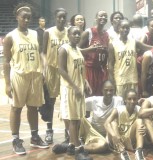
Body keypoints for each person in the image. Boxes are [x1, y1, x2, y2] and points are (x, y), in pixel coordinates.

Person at [3, 3, 48, 155]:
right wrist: (7, 84)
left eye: (29, 17)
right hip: (19, 75)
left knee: (33, 107)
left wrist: (43, 69)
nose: (27, 20)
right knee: (16, 108)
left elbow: (40, 53)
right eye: (24, 17)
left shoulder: (36, 34)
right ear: (17, 17)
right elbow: (6, 61)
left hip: (35, 75)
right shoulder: (10, 36)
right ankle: (16, 139)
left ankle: (34, 137)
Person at [55, 26, 92, 159]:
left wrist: (86, 83)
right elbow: (62, 70)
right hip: (69, 89)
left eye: (79, 34)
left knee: (77, 119)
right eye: (74, 33)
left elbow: (80, 70)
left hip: (78, 88)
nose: (77, 36)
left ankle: (71, 144)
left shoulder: (77, 50)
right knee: (73, 119)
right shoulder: (64, 49)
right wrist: (75, 86)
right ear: (68, 35)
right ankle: (78, 148)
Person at [40, 8, 69, 144]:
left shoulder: (69, 32)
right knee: (50, 102)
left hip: (65, 70)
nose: (62, 19)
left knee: (66, 101)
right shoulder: (48, 32)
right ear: (55, 17)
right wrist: (44, 68)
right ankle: (49, 130)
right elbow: (43, 52)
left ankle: (67, 131)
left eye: (64, 17)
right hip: (51, 70)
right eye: (59, 17)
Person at [108, 19, 152, 97]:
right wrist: (112, 81)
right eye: (123, 27)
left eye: (127, 28)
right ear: (119, 28)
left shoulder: (134, 42)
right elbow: (110, 64)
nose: (125, 30)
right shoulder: (113, 44)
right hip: (120, 79)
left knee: (133, 102)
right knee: (120, 103)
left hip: (132, 78)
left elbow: (148, 47)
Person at [76, 80, 123, 153]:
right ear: (102, 90)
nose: (109, 93)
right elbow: (78, 103)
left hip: (108, 133)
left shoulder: (119, 101)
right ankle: (76, 141)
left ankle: (79, 148)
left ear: (114, 91)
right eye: (106, 90)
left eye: (111, 90)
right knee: (79, 118)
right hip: (93, 131)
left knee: (103, 146)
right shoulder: (94, 100)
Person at [105, 89, 146, 160]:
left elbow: (147, 123)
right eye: (129, 99)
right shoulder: (118, 109)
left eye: (134, 99)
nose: (132, 101)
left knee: (139, 121)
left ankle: (139, 151)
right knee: (113, 123)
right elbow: (106, 123)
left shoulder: (139, 110)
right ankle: (122, 152)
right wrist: (114, 136)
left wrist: (145, 129)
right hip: (116, 140)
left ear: (137, 100)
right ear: (125, 100)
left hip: (129, 140)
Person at [79, 10, 110, 97]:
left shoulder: (106, 34)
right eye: (101, 16)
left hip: (101, 70)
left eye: (105, 16)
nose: (103, 17)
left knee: (99, 98)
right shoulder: (89, 32)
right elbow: (76, 50)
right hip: (89, 69)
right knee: (88, 97)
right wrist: (90, 49)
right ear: (96, 18)